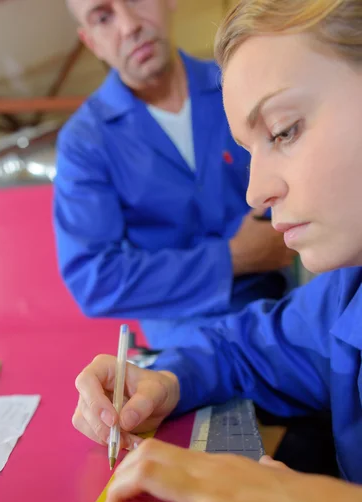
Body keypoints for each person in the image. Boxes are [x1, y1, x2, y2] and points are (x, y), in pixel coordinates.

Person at [73, 0, 362, 502]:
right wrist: (167, 379)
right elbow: (256, 343)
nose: (255, 190)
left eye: (284, 130)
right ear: (86, 39)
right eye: (102, 15)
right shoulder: (341, 295)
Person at [53, 0, 295, 351]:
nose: (129, 25)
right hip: (185, 349)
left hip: (289, 313)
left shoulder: (240, 81)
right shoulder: (85, 142)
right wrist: (232, 258)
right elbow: (95, 281)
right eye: (103, 17)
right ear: (91, 41)